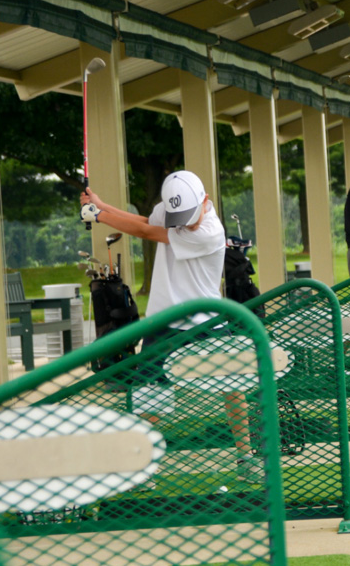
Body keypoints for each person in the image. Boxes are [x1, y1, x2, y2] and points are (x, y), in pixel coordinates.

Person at [80, 171, 257, 481]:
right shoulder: (173, 209)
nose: (185, 223)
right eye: (179, 217)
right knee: (149, 397)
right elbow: (148, 222)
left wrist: (100, 216)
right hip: (164, 321)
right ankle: (139, 472)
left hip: (206, 320)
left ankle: (246, 458)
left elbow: (148, 234)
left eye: (190, 216)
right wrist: (101, 205)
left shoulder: (211, 231)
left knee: (233, 387)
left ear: (204, 201)